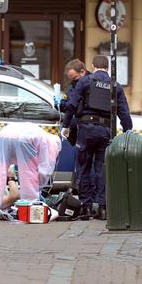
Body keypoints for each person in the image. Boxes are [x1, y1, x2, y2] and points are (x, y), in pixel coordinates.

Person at [61, 55, 133, 221]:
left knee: (84, 167)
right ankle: (103, 209)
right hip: (105, 131)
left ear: (93, 66)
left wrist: (65, 126)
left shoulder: (85, 82)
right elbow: (124, 112)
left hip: (86, 130)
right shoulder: (115, 85)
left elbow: (71, 105)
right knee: (102, 169)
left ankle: (86, 207)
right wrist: (127, 129)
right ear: (107, 68)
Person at [0, 123, 62, 222]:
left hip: (3, 134)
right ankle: (30, 211)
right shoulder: (51, 145)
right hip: (26, 138)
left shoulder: (41, 134)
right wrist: (39, 188)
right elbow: (44, 171)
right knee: (28, 174)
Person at [59, 59, 94, 219]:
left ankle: (91, 204)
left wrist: (66, 123)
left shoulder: (91, 84)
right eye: (71, 79)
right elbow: (68, 103)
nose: (74, 82)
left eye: (75, 78)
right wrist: (63, 104)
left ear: (83, 72)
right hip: (80, 131)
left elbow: (74, 108)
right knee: (84, 169)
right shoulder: (75, 85)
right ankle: (88, 205)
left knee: (88, 169)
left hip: (88, 130)